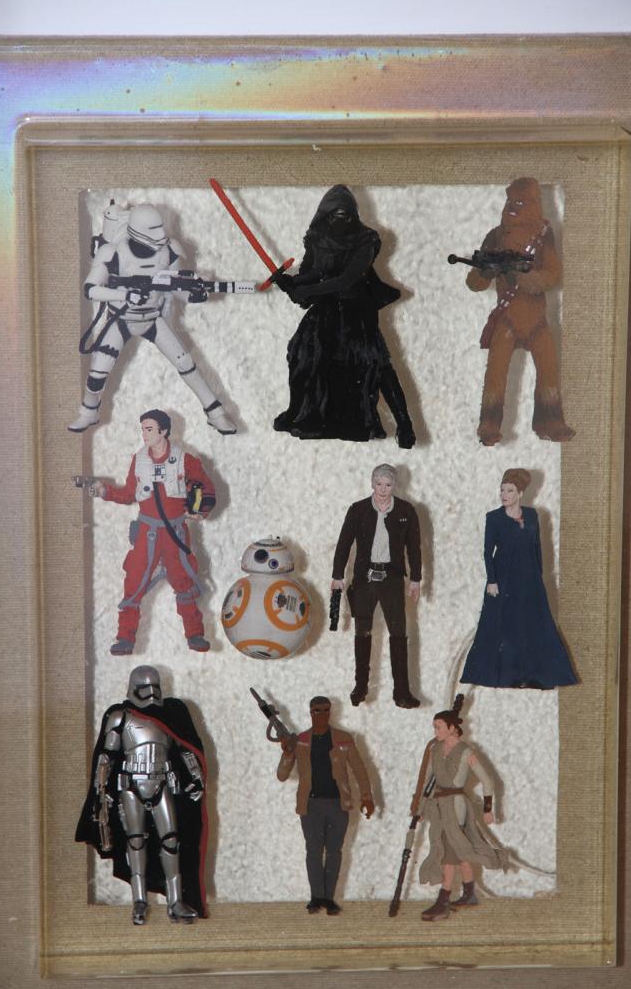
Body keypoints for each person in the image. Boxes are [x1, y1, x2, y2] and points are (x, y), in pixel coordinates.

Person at [69, 203, 235, 435]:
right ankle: (88, 412)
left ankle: (216, 413)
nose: (160, 235)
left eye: (160, 227)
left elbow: (176, 287)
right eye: (153, 229)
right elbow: (90, 289)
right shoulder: (113, 253)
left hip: (152, 318)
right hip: (120, 318)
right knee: (98, 371)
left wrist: (196, 295)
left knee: (186, 364)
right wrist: (125, 295)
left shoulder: (169, 251)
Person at [274, 184, 416, 447]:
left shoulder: (366, 240)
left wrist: (306, 288)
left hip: (356, 310)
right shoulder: (317, 238)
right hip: (326, 310)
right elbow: (312, 272)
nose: (341, 219)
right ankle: (299, 412)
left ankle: (404, 424)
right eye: (335, 214)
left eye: (346, 214)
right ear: (325, 214)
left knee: (375, 362)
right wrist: (290, 283)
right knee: (302, 354)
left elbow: (347, 279)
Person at [75, 665, 208, 925]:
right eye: (145, 688)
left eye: (155, 687)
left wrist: (197, 778)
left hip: (162, 782)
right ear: (133, 688)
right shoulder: (120, 716)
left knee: (171, 841)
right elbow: (106, 757)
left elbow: (186, 751)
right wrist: (101, 790)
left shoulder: (169, 717)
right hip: (131, 785)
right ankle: (139, 901)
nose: (151, 694)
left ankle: (175, 901)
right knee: (136, 842)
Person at [89, 409, 216, 655]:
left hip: (175, 534)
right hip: (147, 534)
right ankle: (125, 638)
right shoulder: (139, 461)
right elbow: (129, 494)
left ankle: (195, 634)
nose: (144, 434)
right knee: (133, 581)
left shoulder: (185, 460)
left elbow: (206, 488)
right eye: (143, 429)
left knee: (184, 582)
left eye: (149, 429)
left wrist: (201, 510)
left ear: (164, 431)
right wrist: (105, 491)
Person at [465, 177, 575, 446]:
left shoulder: (543, 236)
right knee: (495, 374)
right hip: (507, 320)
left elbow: (553, 274)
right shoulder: (495, 236)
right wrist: (485, 272)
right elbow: (474, 283)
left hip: (537, 320)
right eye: (510, 201)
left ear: (534, 205)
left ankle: (550, 421)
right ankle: (489, 424)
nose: (513, 207)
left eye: (521, 202)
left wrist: (526, 277)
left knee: (548, 371)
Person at [460, 468, 578, 689]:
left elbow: (537, 547)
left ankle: (534, 676)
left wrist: (538, 578)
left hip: (529, 578)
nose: (504, 495)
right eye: (502, 490)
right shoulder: (493, 518)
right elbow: (487, 552)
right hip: (503, 579)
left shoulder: (532, 515)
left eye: (510, 491)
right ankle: (507, 675)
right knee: (504, 625)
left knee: (531, 624)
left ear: (521, 493)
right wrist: (492, 580)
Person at [411, 695, 509, 922]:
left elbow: (487, 780)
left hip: (456, 806)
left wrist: (487, 809)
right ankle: (469, 893)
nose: (435, 731)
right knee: (460, 851)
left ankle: (443, 901)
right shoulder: (435, 750)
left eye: (438, 726)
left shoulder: (465, 752)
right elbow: (426, 780)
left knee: (449, 851)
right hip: (438, 805)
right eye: (434, 727)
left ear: (452, 728)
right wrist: (419, 806)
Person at [331, 464, 421, 708]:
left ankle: (402, 691)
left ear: (395, 485)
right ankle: (360, 686)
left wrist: (416, 578)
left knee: (398, 632)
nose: (383, 489)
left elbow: (414, 547)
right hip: (365, 578)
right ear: (372, 483)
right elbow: (344, 543)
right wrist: (337, 575)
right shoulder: (358, 509)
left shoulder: (406, 510)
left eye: (388, 484)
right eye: (379, 484)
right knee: (362, 632)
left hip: (392, 578)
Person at [277, 695, 374, 915]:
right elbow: (282, 775)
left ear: (330, 711)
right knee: (313, 851)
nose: (321, 715)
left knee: (334, 851)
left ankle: (329, 898)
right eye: (317, 711)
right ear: (310, 713)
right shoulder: (300, 740)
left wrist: (366, 796)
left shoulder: (343, 739)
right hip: (310, 805)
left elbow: (359, 769)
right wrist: (287, 752)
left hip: (338, 804)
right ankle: (316, 897)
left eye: (325, 710)